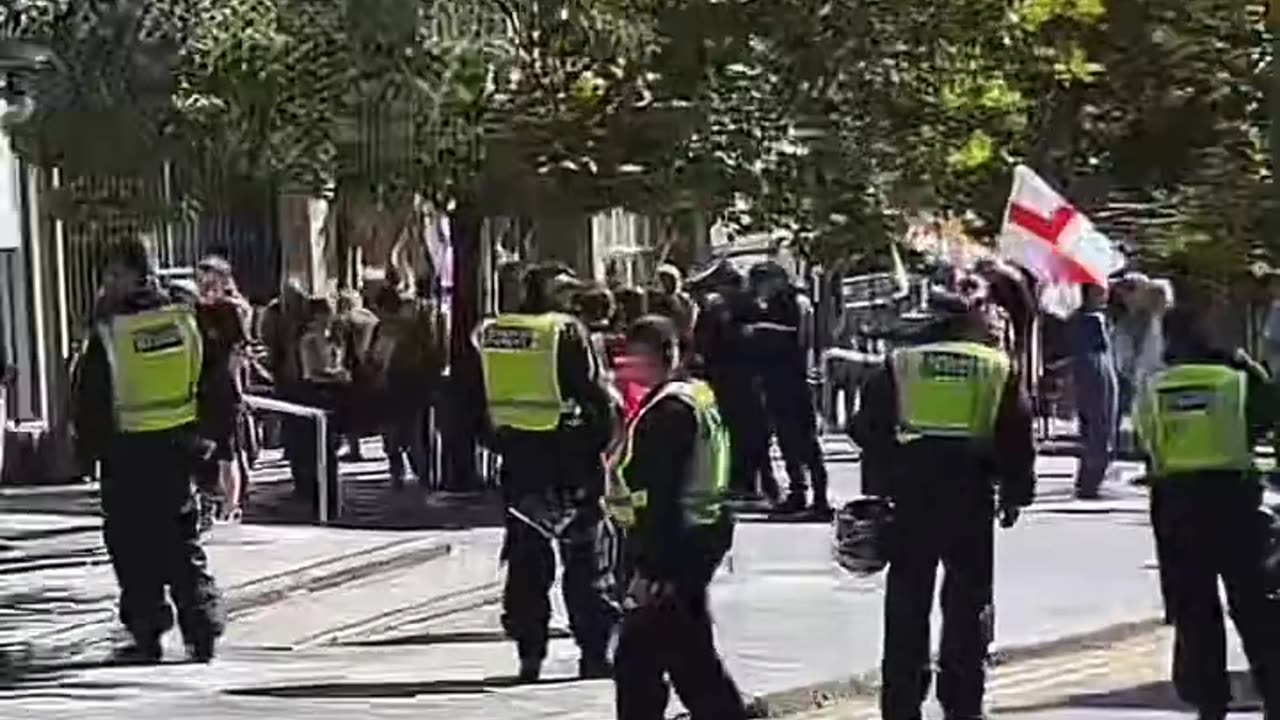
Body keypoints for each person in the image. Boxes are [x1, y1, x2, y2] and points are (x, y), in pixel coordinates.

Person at [852, 282, 1036, 720]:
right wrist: (1015, 492)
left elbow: (865, 427)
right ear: (970, 320)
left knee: (906, 602)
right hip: (970, 493)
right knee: (968, 603)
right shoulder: (996, 366)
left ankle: (900, 703)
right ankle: (962, 701)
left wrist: (885, 475)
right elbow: (1016, 433)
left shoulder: (900, 364)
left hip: (911, 493)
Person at [465, 262, 621, 682]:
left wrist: (502, 442)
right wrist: (601, 444)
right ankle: (594, 652)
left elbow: (475, 399)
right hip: (572, 463)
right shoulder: (565, 332)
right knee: (587, 559)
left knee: (527, 560)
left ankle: (529, 653)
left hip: (520, 464)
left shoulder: (494, 332)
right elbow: (594, 398)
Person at [70, 238, 224, 663]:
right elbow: (213, 380)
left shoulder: (112, 332)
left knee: (133, 547)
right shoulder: (183, 320)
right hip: (179, 447)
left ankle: (146, 633)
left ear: (130, 274)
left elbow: (92, 398)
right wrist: (213, 443)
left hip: (128, 452)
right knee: (181, 541)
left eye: (113, 274)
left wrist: (86, 454)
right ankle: (202, 626)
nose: (107, 283)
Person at [1134, 318, 1280, 720]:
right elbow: (1268, 411)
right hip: (1235, 499)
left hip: (1177, 503)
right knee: (1256, 606)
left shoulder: (1155, 387)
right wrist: (1245, 365)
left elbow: (1147, 439)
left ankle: (1210, 703)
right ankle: (1274, 692)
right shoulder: (1234, 380)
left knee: (1195, 610)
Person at [606, 315, 745, 720]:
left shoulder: (669, 410)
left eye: (632, 359)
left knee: (651, 660)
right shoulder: (695, 395)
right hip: (698, 535)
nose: (626, 369)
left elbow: (658, 495)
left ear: (655, 357)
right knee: (677, 656)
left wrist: (651, 568)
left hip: (673, 544)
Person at [689, 261, 779, 504]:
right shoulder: (748, 306)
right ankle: (755, 484)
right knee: (749, 434)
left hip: (733, 379)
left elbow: (706, 343)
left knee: (743, 433)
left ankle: (751, 484)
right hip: (742, 379)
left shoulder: (724, 309)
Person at [749, 262, 831, 517]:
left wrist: (758, 333)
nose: (758, 290)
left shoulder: (789, 303)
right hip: (783, 379)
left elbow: (793, 339)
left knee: (804, 442)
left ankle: (817, 498)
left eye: (760, 283)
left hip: (790, 379)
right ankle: (800, 493)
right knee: (789, 441)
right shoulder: (793, 301)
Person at [193, 255, 250, 525]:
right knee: (204, 449)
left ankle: (231, 504)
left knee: (227, 450)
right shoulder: (194, 311)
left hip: (222, 389)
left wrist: (236, 389)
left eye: (211, 279)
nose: (205, 285)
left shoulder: (230, 311)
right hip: (198, 388)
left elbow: (237, 354)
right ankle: (208, 500)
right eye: (201, 279)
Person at [1071, 283, 1118, 498]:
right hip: (1097, 370)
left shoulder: (1084, 319)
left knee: (1092, 424)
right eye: (1101, 290)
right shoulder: (1092, 320)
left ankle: (1087, 477)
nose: (1106, 294)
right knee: (1100, 423)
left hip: (1091, 370)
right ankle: (1091, 478)